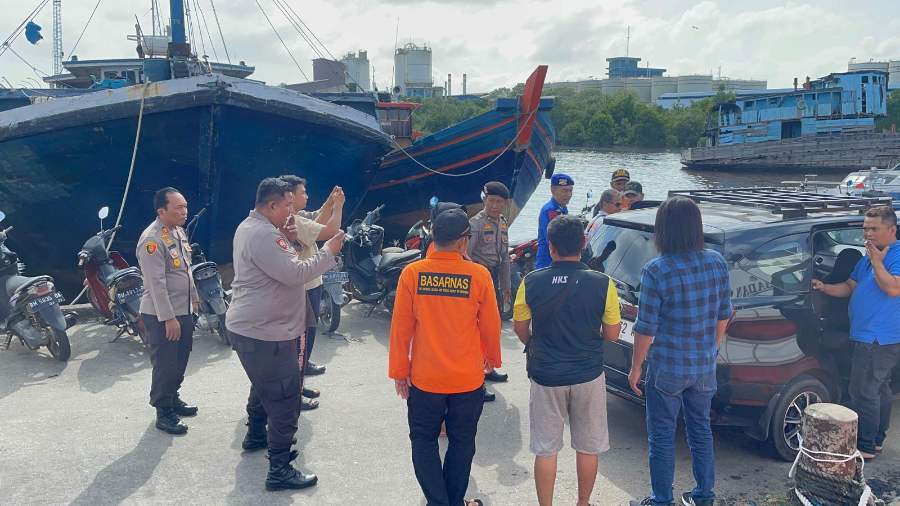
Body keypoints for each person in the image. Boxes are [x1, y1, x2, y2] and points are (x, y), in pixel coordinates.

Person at [226, 177, 344, 491]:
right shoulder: (264, 234)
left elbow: (280, 265)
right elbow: (296, 273)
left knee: (264, 386)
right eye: (287, 205)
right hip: (267, 330)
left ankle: (255, 435)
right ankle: (279, 469)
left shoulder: (252, 228)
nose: (291, 211)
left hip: (255, 327)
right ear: (272, 204)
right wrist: (330, 251)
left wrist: (291, 242)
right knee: (284, 398)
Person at [389, 207, 502, 506]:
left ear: (433, 237)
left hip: (426, 379)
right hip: (467, 378)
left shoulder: (413, 274)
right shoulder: (478, 275)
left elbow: (401, 328)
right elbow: (491, 325)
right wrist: (491, 358)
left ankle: (439, 502)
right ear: (464, 241)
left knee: (423, 441)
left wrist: (401, 371)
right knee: (462, 442)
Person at [627, 197, 732, 506]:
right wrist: (712, 348)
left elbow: (646, 328)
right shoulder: (716, 261)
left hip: (667, 368)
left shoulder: (656, 270)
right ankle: (704, 496)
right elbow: (725, 313)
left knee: (661, 436)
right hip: (702, 367)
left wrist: (635, 368)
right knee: (701, 430)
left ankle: (661, 499)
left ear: (663, 230)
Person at [513, 215, 621, 506]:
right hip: (587, 373)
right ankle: (583, 503)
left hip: (546, 375)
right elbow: (612, 334)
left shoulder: (531, 281)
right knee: (588, 447)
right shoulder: (602, 283)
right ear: (584, 244)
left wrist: (535, 344)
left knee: (546, 449)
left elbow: (520, 326)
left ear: (550, 247)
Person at [812, 205, 900, 460]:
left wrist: (876, 261)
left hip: (879, 336)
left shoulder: (893, 255)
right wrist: (824, 287)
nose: (868, 234)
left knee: (864, 390)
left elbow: (892, 289)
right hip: (864, 333)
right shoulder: (867, 258)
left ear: (891, 229)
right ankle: (877, 439)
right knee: (879, 388)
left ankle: (865, 446)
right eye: (865, 229)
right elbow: (850, 286)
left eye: (874, 229)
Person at [279, 175, 345, 412]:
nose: (306, 196)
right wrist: (338, 206)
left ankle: (299, 382)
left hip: (309, 283)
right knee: (300, 342)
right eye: (303, 192)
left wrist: (330, 202)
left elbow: (317, 219)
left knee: (305, 341)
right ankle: (293, 393)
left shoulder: (296, 218)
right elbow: (330, 230)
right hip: (303, 287)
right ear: (290, 196)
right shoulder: (293, 220)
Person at [136, 187, 198, 435]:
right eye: (178, 208)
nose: (184, 212)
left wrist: (193, 301)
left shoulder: (178, 231)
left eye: (185, 206)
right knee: (165, 363)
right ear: (162, 211)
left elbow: (185, 271)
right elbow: (156, 284)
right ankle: (163, 410)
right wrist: (169, 318)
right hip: (163, 314)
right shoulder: (152, 240)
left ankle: (173, 396)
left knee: (181, 358)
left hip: (183, 310)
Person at [468, 181, 512, 388]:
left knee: (492, 327)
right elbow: (465, 255)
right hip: (477, 279)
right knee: (476, 328)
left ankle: (488, 366)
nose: (495, 206)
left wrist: (507, 288)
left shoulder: (503, 223)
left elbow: (505, 258)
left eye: (499, 202)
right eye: (491, 201)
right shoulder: (475, 224)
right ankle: (476, 377)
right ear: (484, 199)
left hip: (493, 278)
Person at [536, 173, 574, 270]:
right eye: (564, 191)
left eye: (570, 191)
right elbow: (553, 238)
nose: (569, 195)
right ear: (553, 190)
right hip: (548, 260)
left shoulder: (562, 208)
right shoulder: (551, 210)